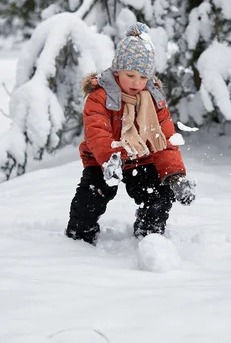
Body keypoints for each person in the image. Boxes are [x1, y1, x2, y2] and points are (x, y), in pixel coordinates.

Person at [65, 22, 196, 245]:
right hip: (104, 160)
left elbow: (163, 140)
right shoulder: (100, 97)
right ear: (117, 70)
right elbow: (97, 134)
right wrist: (110, 160)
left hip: (141, 158)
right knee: (92, 196)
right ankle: (79, 237)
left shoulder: (153, 100)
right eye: (130, 75)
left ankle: (149, 233)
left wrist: (175, 175)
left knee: (160, 194)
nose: (137, 83)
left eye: (143, 77)